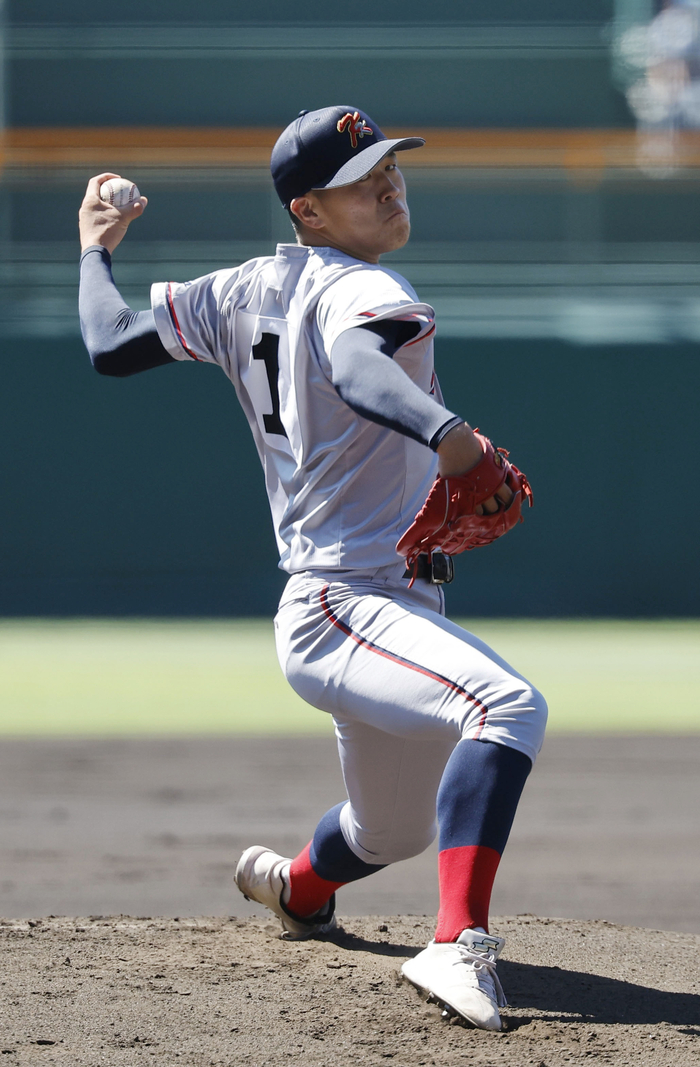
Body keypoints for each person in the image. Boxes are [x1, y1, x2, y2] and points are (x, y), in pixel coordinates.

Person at [78, 105, 547, 1033]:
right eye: (361, 180)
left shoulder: (236, 290)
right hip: (344, 600)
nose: (389, 184)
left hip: (369, 607)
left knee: (392, 831)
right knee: (506, 706)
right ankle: (457, 944)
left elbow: (110, 341)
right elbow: (360, 369)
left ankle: (295, 887)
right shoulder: (358, 287)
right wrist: (450, 435)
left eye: (389, 165)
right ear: (308, 210)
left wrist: (95, 249)